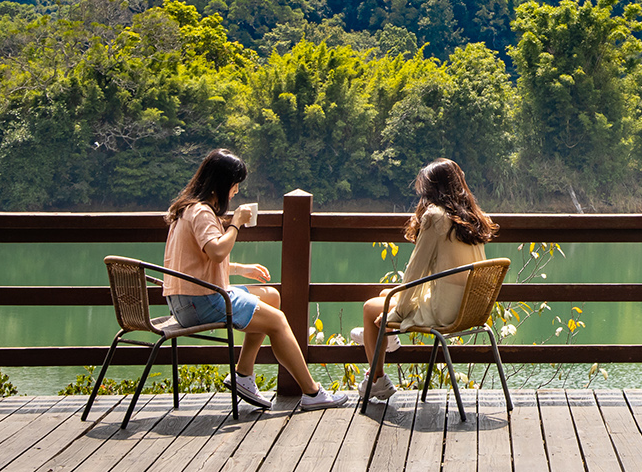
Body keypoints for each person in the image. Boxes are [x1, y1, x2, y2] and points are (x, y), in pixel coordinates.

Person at [163, 149, 348, 410]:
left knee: (270, 296)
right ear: (222, 183)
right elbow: (216, 252)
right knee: (277, 319)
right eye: (235, 183)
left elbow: (197, 264)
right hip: (200, 303)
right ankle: (312, 392)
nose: (236, 190)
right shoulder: (203, 212)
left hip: (185, 301)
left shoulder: (186, 209)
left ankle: (243, 375)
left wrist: (240, 268)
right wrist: (235, 223)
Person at [356, 158, 499, 401]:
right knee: (383, 298)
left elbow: (415, 270)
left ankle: (377, 378)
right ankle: (384, 342)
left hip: (446, 311)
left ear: (432, 189)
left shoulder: (435, 216)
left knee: (370, 308)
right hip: (471, 308)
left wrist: (397, 314)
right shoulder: (473, 215)